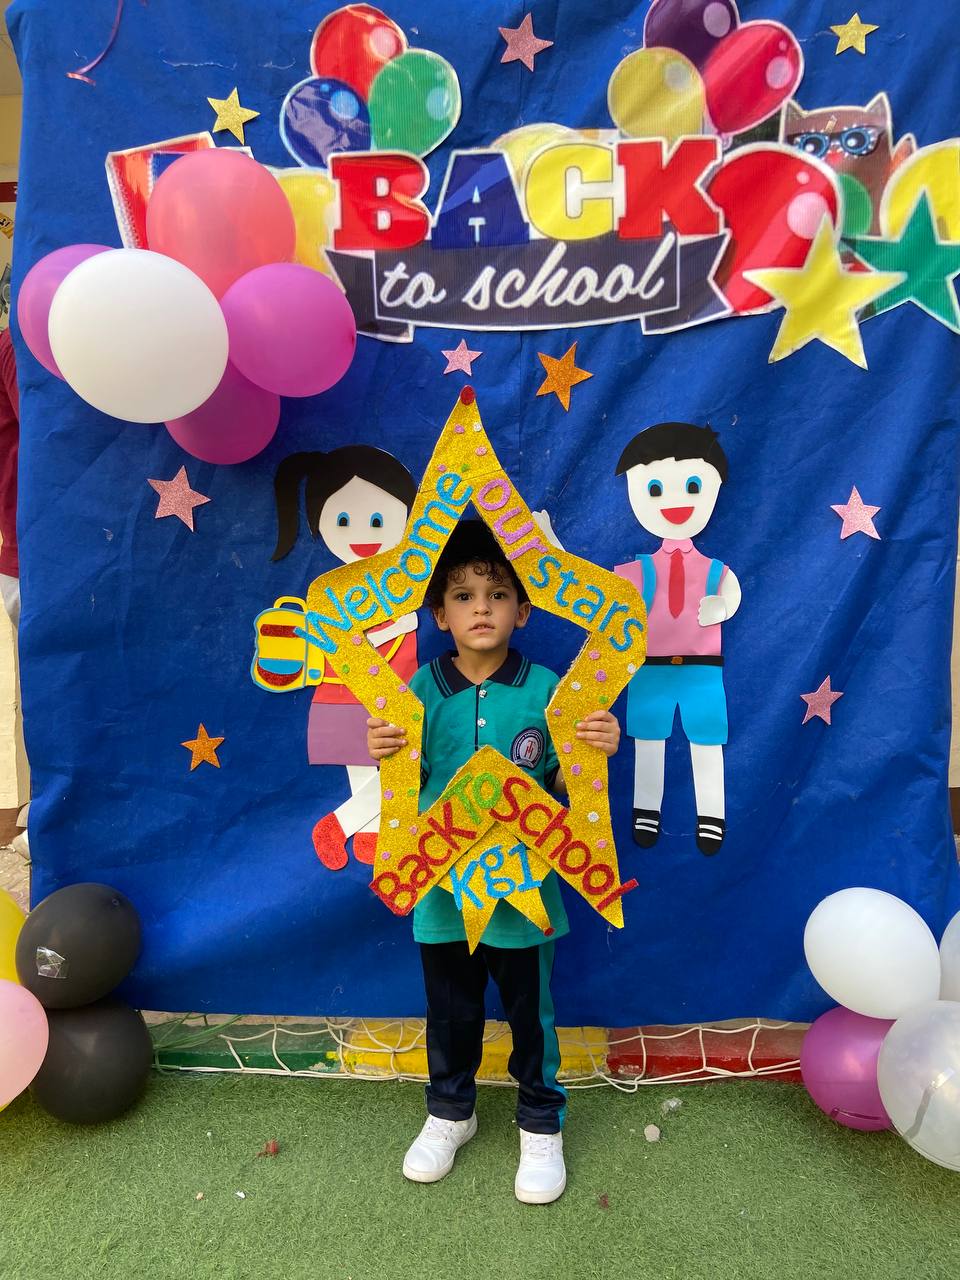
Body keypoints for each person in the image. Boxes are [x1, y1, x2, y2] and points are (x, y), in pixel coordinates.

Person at [367, 520, 620, 1205]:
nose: (481, 607)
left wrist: (595, 746)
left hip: (523, 888)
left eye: (498, 594)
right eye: (464, 595)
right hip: (440, 887)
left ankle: (540, 1122)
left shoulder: (550, 690)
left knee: (530, 1013)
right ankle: (451, 1111)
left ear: (523, 610)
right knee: (450, 1010)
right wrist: (385, 751)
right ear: (439, 615)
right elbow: (406, 788)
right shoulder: (416, 690)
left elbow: (568, 786)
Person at [271, 446, 419, 869]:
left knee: (400, 763)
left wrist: (400, 624)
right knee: (362, 764)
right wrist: (397, 626)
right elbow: (335, 636)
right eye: (342, 521)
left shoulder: (402, 581)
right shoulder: (329, 590)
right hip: (345, 688)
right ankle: (364, 828)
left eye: (378, 521)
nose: (363, 533)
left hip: (396, 688)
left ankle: (344, 825)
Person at [613, 422, 741, 855]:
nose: (675, 502)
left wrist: (723, 607)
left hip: (703, 671)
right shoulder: (638, 571)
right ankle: (646, 811)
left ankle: (712, 817)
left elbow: (731, 592)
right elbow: (594, 586)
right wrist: (551, 547)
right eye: (655, 489)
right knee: (648, 741)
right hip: (650, 670)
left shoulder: (716, 570)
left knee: (708, 741)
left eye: (692, 486)